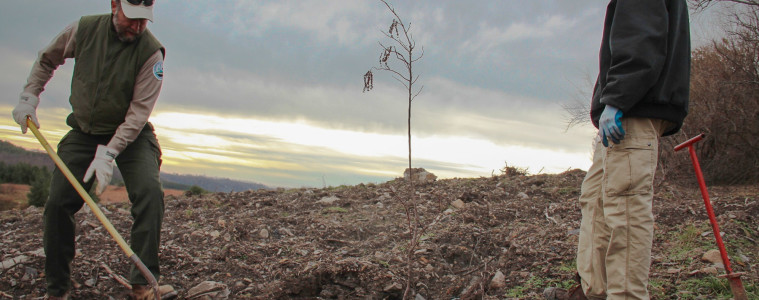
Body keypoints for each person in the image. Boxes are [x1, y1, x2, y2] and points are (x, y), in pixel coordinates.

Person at [11, 1, 175, 299]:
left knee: (149, 193)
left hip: (131, 136)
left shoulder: (152, 53)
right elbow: (48, 59)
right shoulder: (84, 29)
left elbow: (138, 114)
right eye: (132, 18)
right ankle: (57, 289)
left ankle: (142, 285)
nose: (138, 27)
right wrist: (28, 95)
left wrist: (110, 152)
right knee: (59, 203)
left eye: (144, 21)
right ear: (115, 5)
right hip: (84, 132)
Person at [545, 0, 690, 299]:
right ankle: (595, 291)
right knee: (595, 201)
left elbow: (642, 40)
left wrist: (618, 99)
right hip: (627, 111)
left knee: (625, 210)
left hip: (630, 113)